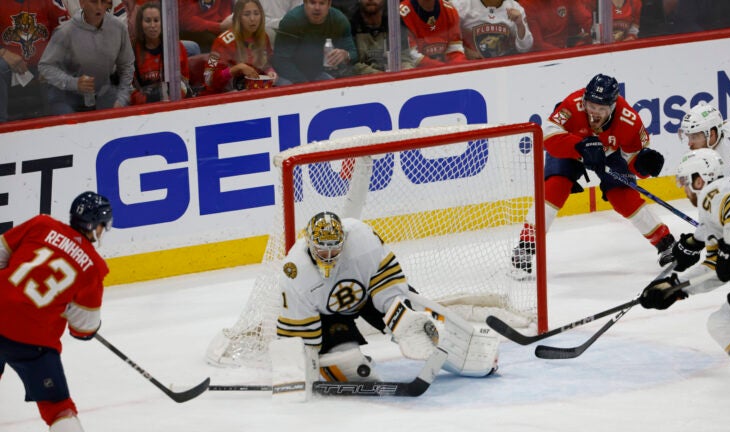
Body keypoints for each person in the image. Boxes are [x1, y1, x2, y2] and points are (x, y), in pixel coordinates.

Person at [273, 211, 499, 381]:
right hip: (329, 317)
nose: (330, 256)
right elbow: (298, 333)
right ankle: (349, 365)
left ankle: (475, 357)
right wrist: (300, 370)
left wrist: (401, 317)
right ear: (310, 245)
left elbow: (389, 282)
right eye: (323, 251)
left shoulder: (362, 237)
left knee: (417, 322)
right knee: (347, 362)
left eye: (335, 249)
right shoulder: (295, 271)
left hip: (370, 293)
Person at [638, 148, 730, 430]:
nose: (684, 189)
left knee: (724, 323)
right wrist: (674, 288)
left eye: (685, 182)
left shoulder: (716, 191)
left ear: (700, 179)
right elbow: (713, 267)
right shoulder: (723, 199)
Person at [511, 73, 672, 273]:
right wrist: (579, 145)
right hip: (572, 147)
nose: (594, 113)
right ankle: (525, 247)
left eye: (601, 109)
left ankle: (665, 242)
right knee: (555, 186)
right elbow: (548, 135)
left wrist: (643, 165)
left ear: (612, 107)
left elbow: (632, 160)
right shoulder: (573, 103)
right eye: (591, 106)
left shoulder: (629, 121)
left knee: (622, 196)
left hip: (608, 154)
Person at [0, 191, 112, 432]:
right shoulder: (94, 267)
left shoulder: (41, 224)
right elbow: (83, 328)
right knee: (58, 408)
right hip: (31, 339)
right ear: (95, 227)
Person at [665, 103, 730, 272]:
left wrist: (694, 242)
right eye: (688, 136)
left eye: (695, 136)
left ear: (712, 134)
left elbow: (718, 215)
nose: (689, 144)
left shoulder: (721, 167)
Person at [39, 0, 135, 114]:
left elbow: (127, 65)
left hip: (102, 92)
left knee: (123, 115)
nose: (99, 7)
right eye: (94, 2)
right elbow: (45, 67)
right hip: (66, 96)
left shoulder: (119, 28)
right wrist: (74, 83)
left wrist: (122, 99)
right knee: (70, 125)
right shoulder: (65, 31)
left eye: (103, 2)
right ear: (82, 3)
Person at [0, 0, 69, 122]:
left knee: (59, 69)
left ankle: (64, 124)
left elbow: (67, 35)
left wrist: (51, 60)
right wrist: (3, 52)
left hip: (46, 63)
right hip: (8, 67)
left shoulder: (51, 1)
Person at [272, 0, 358, 85]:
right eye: (312, 2)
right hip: (287, 74)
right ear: (305, 3)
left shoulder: (339, 19)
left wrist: (346, 55)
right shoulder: (291, 20)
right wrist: (304, 84)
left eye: (322, 3)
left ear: (329, 4)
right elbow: (280, 60)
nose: (317, 8)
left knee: (334, 86)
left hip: (316, 73)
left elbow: (354, 53)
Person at [202, 0, 277, 94]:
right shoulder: (221, 42)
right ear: (238, 18)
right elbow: (208, 78)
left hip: (253, 92)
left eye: (256, 13)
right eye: (247, 14)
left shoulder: (263, 37)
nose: (253, 19)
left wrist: (270, 71)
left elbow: (266, 64)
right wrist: (235, 69)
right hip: (224, 96)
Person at [130, 2, 192, 104]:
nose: (152, 25)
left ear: (163, 22)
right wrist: (148, 100)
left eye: (156, 20)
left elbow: (184, 84)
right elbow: (130, 90)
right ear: (140, 24)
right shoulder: (132, 51)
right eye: (147, 21)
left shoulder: (176, 47)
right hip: (145, 108)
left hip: (173, 103)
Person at [349, 0, 416, 73]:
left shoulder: (395, 21)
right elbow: (352, 65)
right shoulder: (349, 25)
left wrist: (405, 73)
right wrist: (382, 77)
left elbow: (405, 59)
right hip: (364, 82)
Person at [452, 0, 533, 59]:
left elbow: (525, 48)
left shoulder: (515, 7)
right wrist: (464, 51)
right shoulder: (460, 4)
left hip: (504, 67)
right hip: (472, 67)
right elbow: (446, 39)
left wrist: (520, 24)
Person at [399, 0, 469, 67]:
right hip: (417, 74)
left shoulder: (449, 10)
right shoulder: (402, 14)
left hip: (444, 72)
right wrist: (444, 70)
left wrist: (459, 70)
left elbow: (455, 52)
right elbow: (412, 57)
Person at [517, 0, 591, 51]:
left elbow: (586, 20)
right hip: (540, 59)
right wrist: (565, 55)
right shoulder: (526, 4)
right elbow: (537, 44)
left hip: (565, 50)